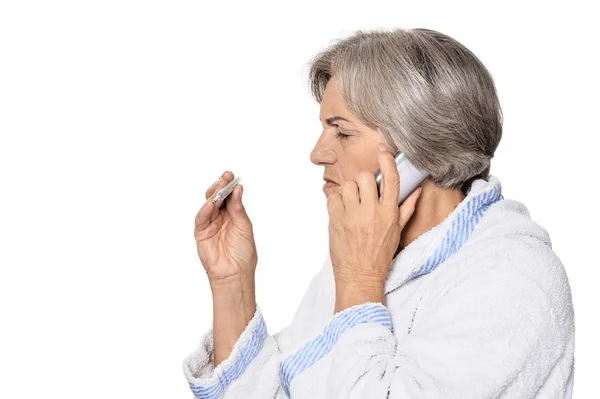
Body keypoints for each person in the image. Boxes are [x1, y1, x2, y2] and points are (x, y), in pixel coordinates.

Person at [183, 28, 575, 398]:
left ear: (418, 149)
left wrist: (359, 280)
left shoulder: (511, 278)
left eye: (342, 132)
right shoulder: (368, 256)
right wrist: (232, 285)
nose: (318, 153)